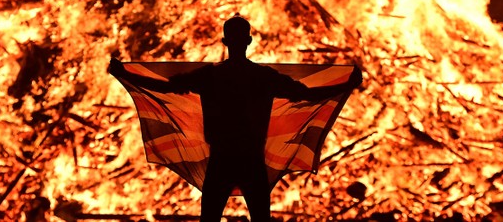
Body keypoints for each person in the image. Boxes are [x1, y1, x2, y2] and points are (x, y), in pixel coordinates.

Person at [109, 16, 363, 222]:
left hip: (222, 159)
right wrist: (344, 86)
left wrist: (127, 75)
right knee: (260, 220)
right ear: (249, 41)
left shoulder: (211, 76)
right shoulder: (263, 77)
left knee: (210, 220)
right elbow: (306, 95)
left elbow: (165, 88)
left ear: (224, 41)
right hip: (251, 159)